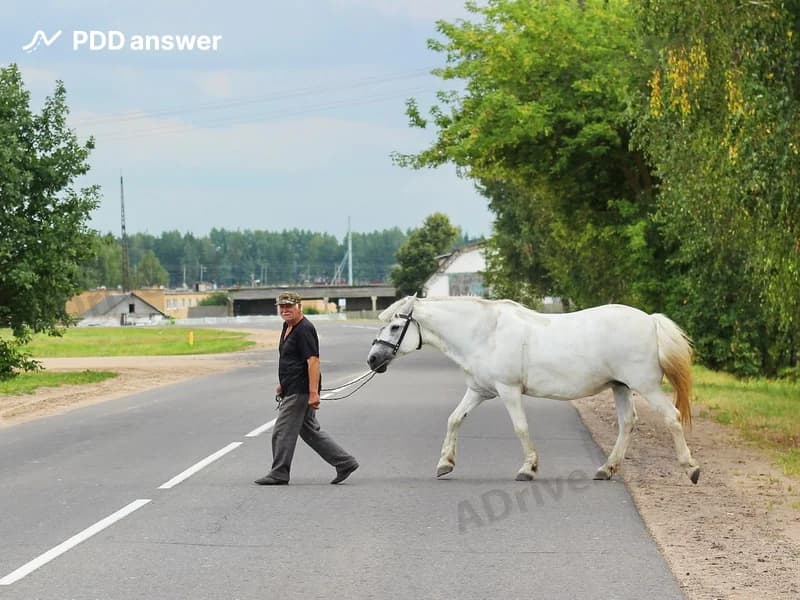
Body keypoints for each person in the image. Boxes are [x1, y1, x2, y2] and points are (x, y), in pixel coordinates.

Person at [254, 291, 359, 485]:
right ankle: (345, 463)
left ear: (299, 306)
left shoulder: (304, 329)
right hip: (292, 386)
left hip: (301, 390)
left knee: (282, 431)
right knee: (310, 431)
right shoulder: (287, 326)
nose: (285, 310)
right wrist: (283, 384)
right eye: (282, 306)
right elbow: (292, 360)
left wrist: (313, 393)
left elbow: (313, 361)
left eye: (289, 306)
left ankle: (279, 472)